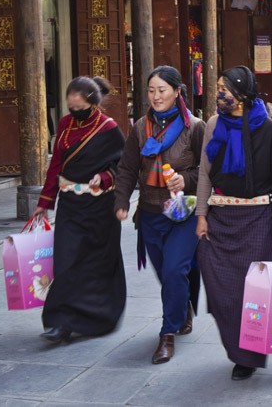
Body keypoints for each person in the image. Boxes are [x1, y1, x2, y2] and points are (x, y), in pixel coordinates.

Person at [195, 66, 272, 381]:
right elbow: (204, 171)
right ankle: (237, 347)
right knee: (222, 289)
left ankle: (249, 355)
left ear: (242, 94)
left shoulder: (266, 129)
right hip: (220, 218)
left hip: (258, 219)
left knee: (251, 292)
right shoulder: (214, 124)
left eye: (224, 89)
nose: (218, 94)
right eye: (217, 87)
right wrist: (201, 214)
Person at [115, 66, 206, 365]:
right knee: (166, 272)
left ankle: (167, 334)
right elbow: (128, 168)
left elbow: (206, 171)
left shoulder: (195, 127)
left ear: (178, 91)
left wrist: (185, 179)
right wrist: (122, 201)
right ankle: (183, 307)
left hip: (184, 213)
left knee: (173, 270)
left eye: (162, 90)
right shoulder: (141, 127)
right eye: (151, 91)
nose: (156, 96)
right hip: (151, 213)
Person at [32, 76, 127, 344]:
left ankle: (98, 317)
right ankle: (59, 322)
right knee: (65, 261)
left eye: (80, 109)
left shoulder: (108, 128)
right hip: (70, 205)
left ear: (92, 103)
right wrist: (44, 201)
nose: (75, 114)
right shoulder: (63, 124)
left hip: (99, 207)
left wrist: (106, 177)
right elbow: (56, 165)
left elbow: (123, 166)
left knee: (95, 264)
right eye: (71, 108)